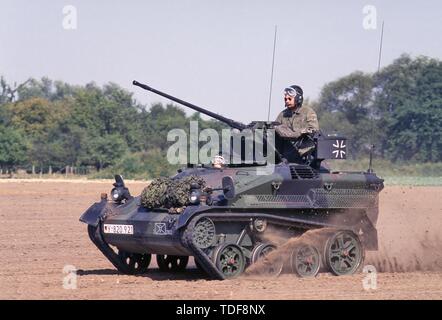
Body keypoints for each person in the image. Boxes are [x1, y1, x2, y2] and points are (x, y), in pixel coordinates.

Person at [275, 85, 319, 157]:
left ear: (298, 99)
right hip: (287, 152)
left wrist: (299, 133)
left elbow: (314, 129)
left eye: (289, 99)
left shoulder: (307, 112)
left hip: (305, 151)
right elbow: (276, 127)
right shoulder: (283, 114)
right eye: (285, 99)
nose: (287, 101)